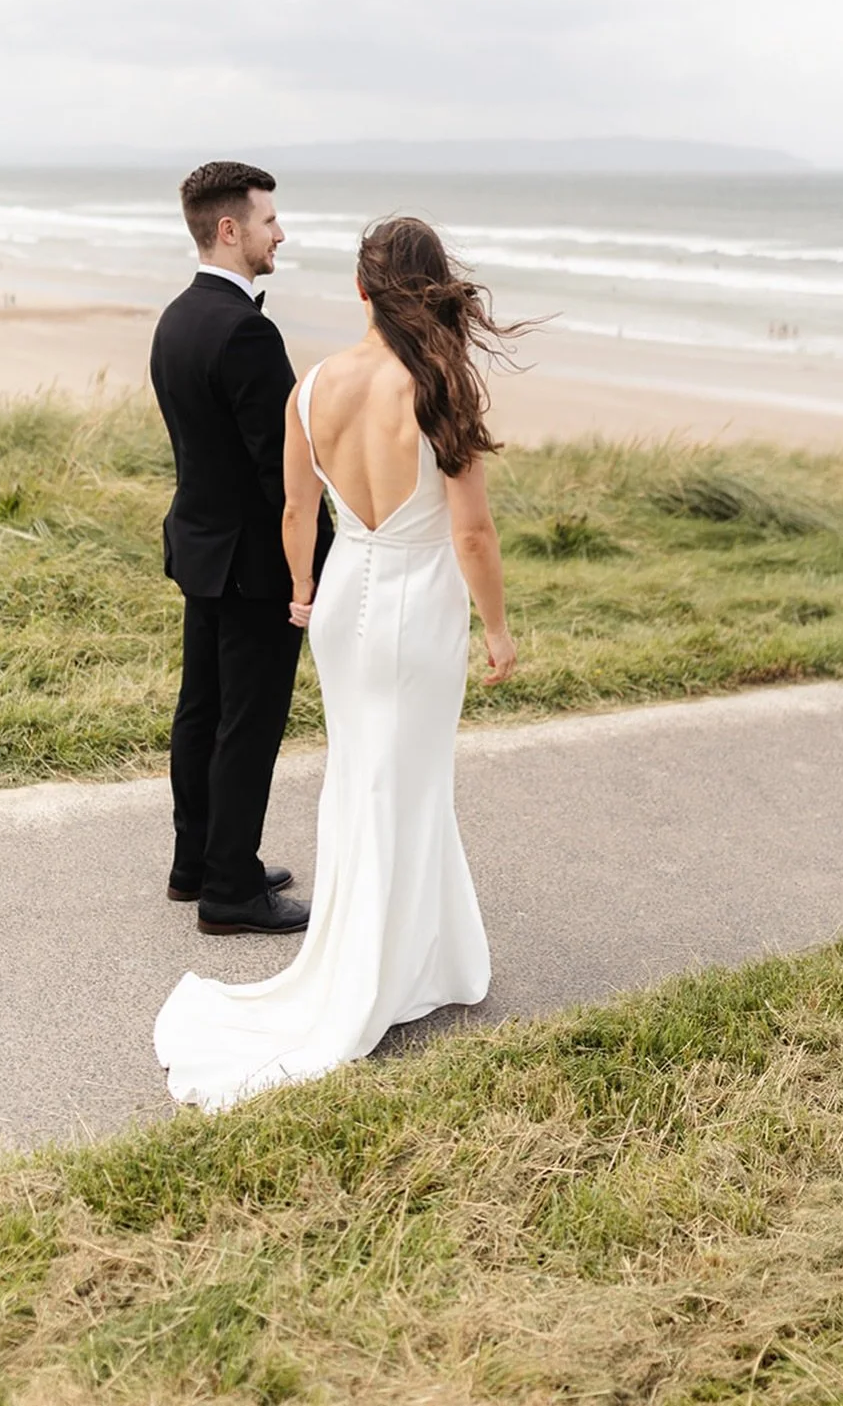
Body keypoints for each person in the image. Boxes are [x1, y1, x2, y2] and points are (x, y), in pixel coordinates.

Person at [154, 216, 523, 1109]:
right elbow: (469, 531)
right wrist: (499, 628)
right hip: (415, 604)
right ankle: (390, 967)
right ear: (430, 290)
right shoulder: (440, 386)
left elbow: (292, 509)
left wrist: (301, 590)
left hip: (344, 594)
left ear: (361, 290)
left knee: (361, 773)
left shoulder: (312, 385)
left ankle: (393, 953)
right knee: (408, 777)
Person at [148, 161, 332, 934]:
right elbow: (283, 472)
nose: (278, 232)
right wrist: (316, 564)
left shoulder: (176, 318)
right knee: (246, 722)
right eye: (267, 220)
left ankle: (197, 862)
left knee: (202, 711)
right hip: (254, 563)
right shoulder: (247, 332)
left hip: (199, 548)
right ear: (230, 229)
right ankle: (230, 889)